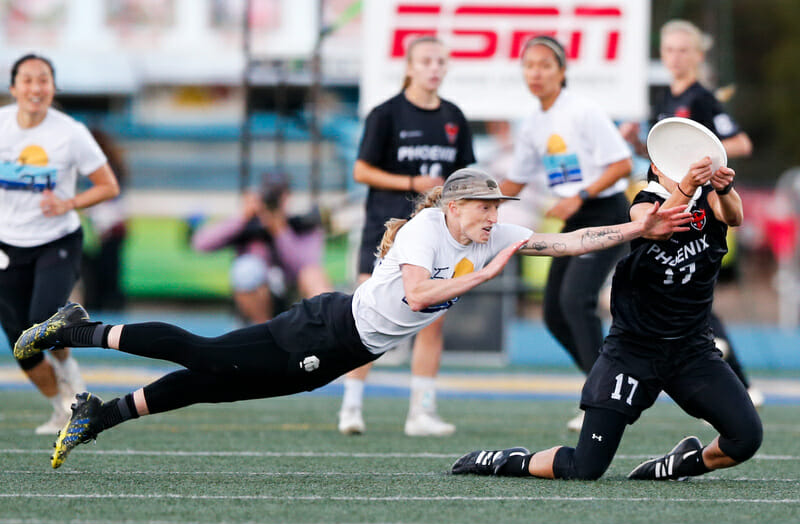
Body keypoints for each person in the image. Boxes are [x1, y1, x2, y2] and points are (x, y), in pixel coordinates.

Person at [13, 168, 690, 469]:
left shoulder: (486, 231)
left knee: (214, 379)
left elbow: (568, 241)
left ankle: (98, 415)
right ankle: (81, 327)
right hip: (326, 329)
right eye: (483, 205)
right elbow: (423, 296)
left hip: (338, 348)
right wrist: (484, 274)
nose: (493, 213)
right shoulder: (430, 230)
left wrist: (637, 229)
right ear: (453, 206)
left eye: (495, 205)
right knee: (209, 356)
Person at [452, 158, 763, 482]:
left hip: (691, 350)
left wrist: (724, 187)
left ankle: (678, 465)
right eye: (676, 165)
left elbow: (734, 215)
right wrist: (687, 186)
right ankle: (505, 460)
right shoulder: (645, 203)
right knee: (585, 468)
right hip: (633, 351)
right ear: (657, 167)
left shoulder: (709, 196)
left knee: (746, 438)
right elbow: (654, 226)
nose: (686, 173)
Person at [619, 19, 761, 407]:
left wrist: (704, 148)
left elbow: (741, 144)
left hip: (704, 205)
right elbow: (663, 161)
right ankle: (736, 384)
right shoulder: (665, 98)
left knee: (695, 291)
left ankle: (739, 385)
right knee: (683, 292)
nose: (676, 57)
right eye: (669, 50)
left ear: (698, 55)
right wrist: (636, 142)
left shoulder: (701, 98)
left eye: (684, 50)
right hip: (672, 201)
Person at [340, 35, 476, 437]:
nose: (434, 68)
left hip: (436, 236)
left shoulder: (454, 116)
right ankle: (351, 406)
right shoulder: (386, 114)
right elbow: (361, 171)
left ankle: (422, 412)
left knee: (432, 320)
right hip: (385, 231)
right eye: (426, 61)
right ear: (410, 67)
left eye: (440, 61)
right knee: (365, 319)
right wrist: (413, 181)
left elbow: (463, 177)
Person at [498, 36, 633, 431]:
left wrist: (580, 196)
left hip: (604, 211)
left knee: (576, 301)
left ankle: (603, 399)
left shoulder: (583, 111)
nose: (535, 73)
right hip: (573, 219)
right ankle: (610, 386)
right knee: (554, 314)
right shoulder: (533, 125)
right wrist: (472, 207)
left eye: (544, 65)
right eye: (529, 66)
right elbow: (515, 182)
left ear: (561, 70)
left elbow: (622, 164)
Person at [0, 54, 120, 435]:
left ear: (53, 87)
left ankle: (77, 385)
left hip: (57, 240)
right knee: (22, 343)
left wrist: (68, 203)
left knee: (44, 319)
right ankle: (61, 410)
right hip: (7, 245)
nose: (36, 88)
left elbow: (108, 185)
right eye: (28, 80)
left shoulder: (70, 132)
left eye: (44, 80)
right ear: (13, 87)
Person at [192, 173, 332, 324]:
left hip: (293, 292)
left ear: (287, 196)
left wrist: (280, 231)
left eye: (279, 194)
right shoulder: (247, 223)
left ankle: (327, 331)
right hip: (260, 295)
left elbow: (307, 263)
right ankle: (262, 335)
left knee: (313, 275)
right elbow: (200, 244)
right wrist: (243, 218)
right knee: (246, 269)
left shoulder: (302, 225)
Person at [80, 128, 128, 312]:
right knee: (106, 272)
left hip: (106, 225)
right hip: (109, 225)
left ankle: (103, 308)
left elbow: (106, 198)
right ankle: (105, 307)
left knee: (101, 274)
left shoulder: (104, 168)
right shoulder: (112, 165)